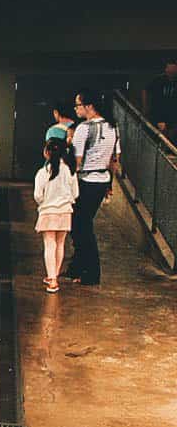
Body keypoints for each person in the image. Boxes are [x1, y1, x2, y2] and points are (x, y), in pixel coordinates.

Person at [63, 89, 120, 286]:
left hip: (85, 181)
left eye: (78, 105)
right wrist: (110, 184)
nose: (76, 108)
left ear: (89, 106)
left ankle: (92, 272)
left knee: (81, 227)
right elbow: (114, 159)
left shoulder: (84, 129)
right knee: (81, 225)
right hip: (102, 180)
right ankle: (76, 267)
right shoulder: (113, 127)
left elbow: (76, 162)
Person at [34, 137, 80, 294]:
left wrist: (44, 203)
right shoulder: (70, 171)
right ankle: (55, 277)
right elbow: (76, 193)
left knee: (49, 244)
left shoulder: (43, 173)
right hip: (66, 211)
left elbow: (37, 195)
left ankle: (51, 279)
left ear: (47, 152)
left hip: (48, 211)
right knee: (60, 244)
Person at [142, 59, 177, 140]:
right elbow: (145, 90)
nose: (171, 72)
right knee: (161, 133)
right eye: (169, 70)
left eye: (173, 70)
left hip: (172, 114)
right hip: (158, 113)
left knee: (171, 134)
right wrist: (145, 107)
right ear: (166, 69)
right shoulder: (158, 80)